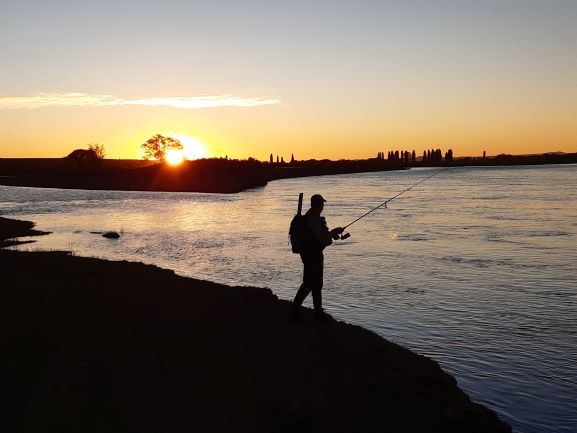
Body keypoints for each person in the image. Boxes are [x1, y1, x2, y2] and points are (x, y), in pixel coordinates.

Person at [291, 194, 344, 321]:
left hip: (311, 253)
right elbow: (320, 239)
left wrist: (331, 235)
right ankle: (294, 312)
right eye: (322, 204)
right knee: (309, 284)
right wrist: (333, 232)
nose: (323, 207)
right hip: (312, 255)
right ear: (320, 205)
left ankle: (317, 312)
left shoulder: (309, 217)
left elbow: (319, 237)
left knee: (316, 284)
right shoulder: (313, 219)